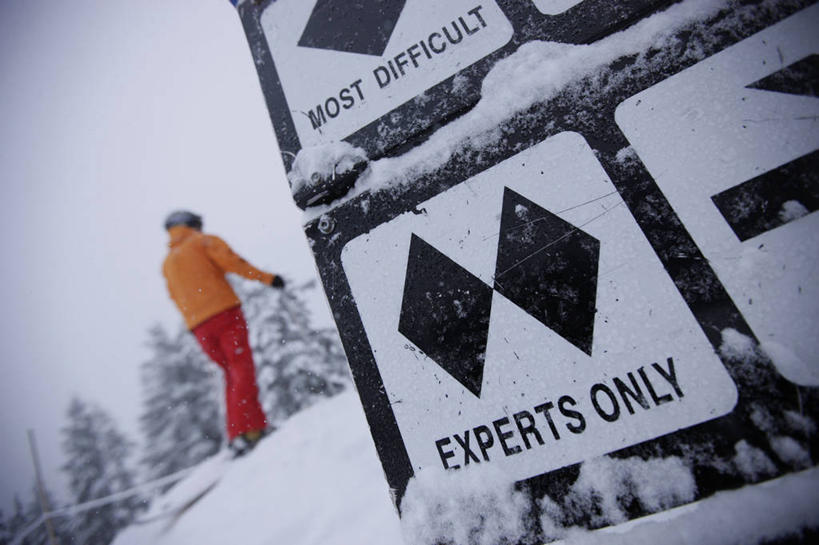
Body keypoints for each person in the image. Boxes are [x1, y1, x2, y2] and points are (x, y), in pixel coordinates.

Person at [161, 210, 285, 455]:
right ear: (191, 225)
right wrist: (268, 279)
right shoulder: (202, 241)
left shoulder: (168, 263)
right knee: (242, 369)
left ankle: (238, 432)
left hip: (198, 327)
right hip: (224, 315)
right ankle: (252, 431)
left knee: (230, 373)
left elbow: (175, 297)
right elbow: (234, 263)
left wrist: (194, 323)